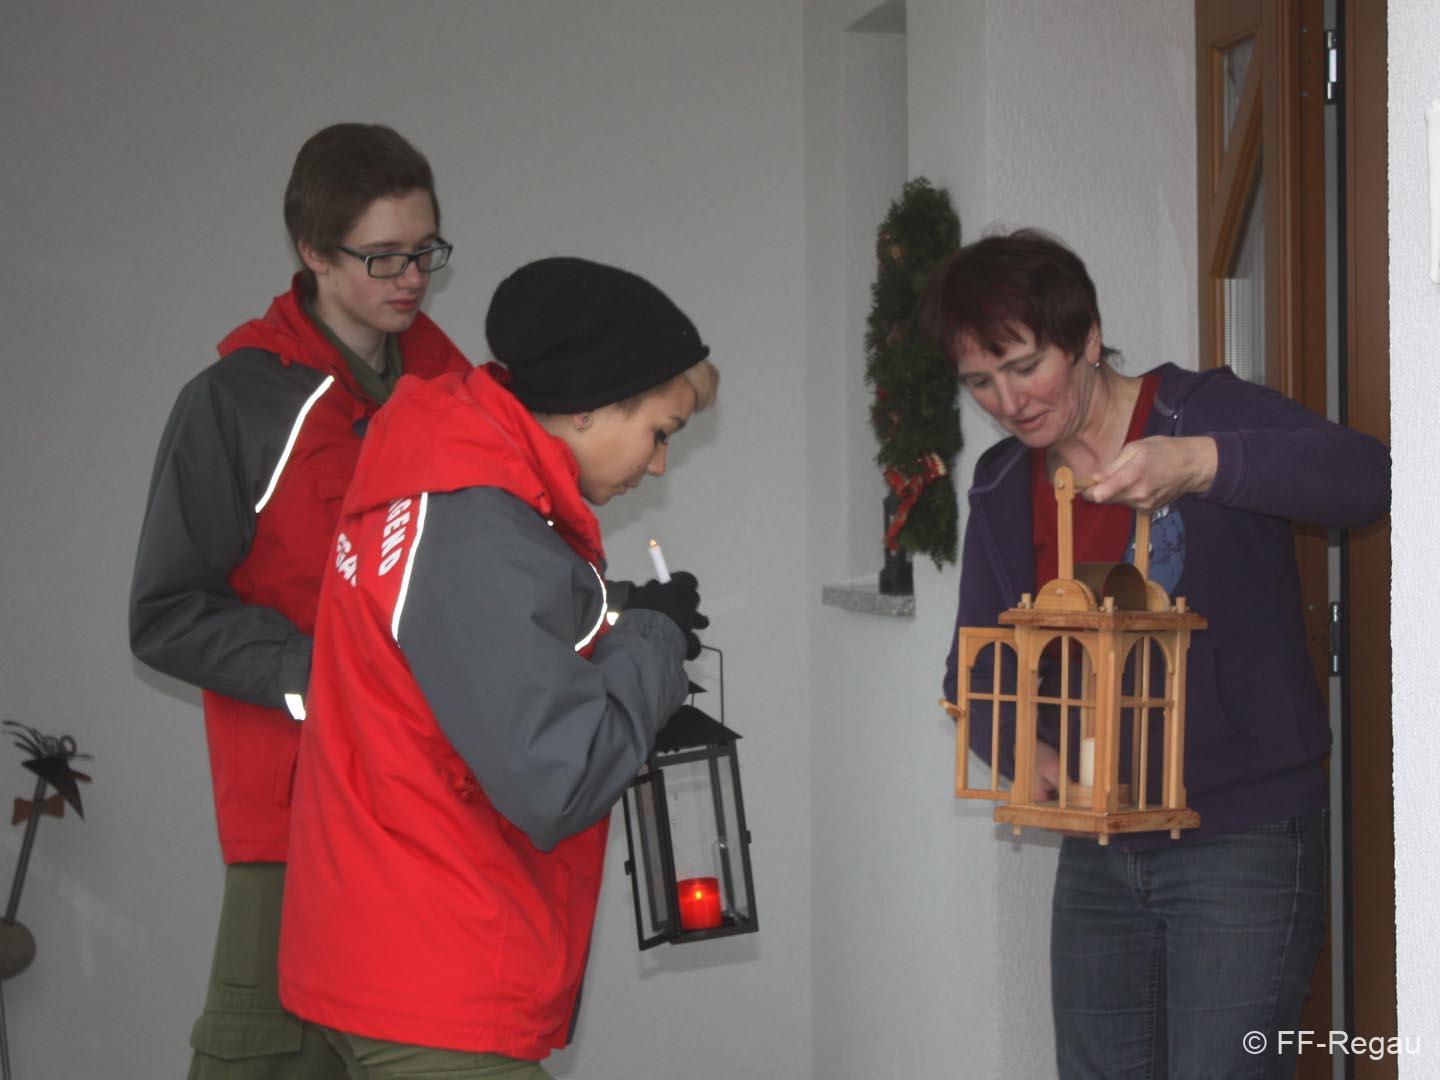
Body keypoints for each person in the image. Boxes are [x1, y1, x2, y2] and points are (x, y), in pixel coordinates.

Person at [920, 229, 1389, 1079]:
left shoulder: (1198, 413)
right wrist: (1023, 749)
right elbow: (978, 671)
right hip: (1099, 848)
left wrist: (1202, 465)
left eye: (1024, 366)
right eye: (980, 381)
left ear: (1087, 338)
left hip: (1242, 836)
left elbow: (1367, 477)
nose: (1008, 401)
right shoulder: (1001, 485)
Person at [276, 256, 720, 1078]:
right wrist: (654, 642)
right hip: (435, 973)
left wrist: (625, 613)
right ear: (589, 405)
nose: (658, 463)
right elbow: (560, 775)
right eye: (661, 432)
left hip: (383, 947)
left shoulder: (439, 480)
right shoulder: (477, 524)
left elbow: (486, 653)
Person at [129, 123, 471, 1077]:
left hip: (441, 805)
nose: (413, 277)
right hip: (295, 816)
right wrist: (326, 677)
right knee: (268, 1061)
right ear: (313, 252)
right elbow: (165, 613)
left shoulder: (460, 394)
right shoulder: (233, 402)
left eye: (427, 250)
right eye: (383, 255)